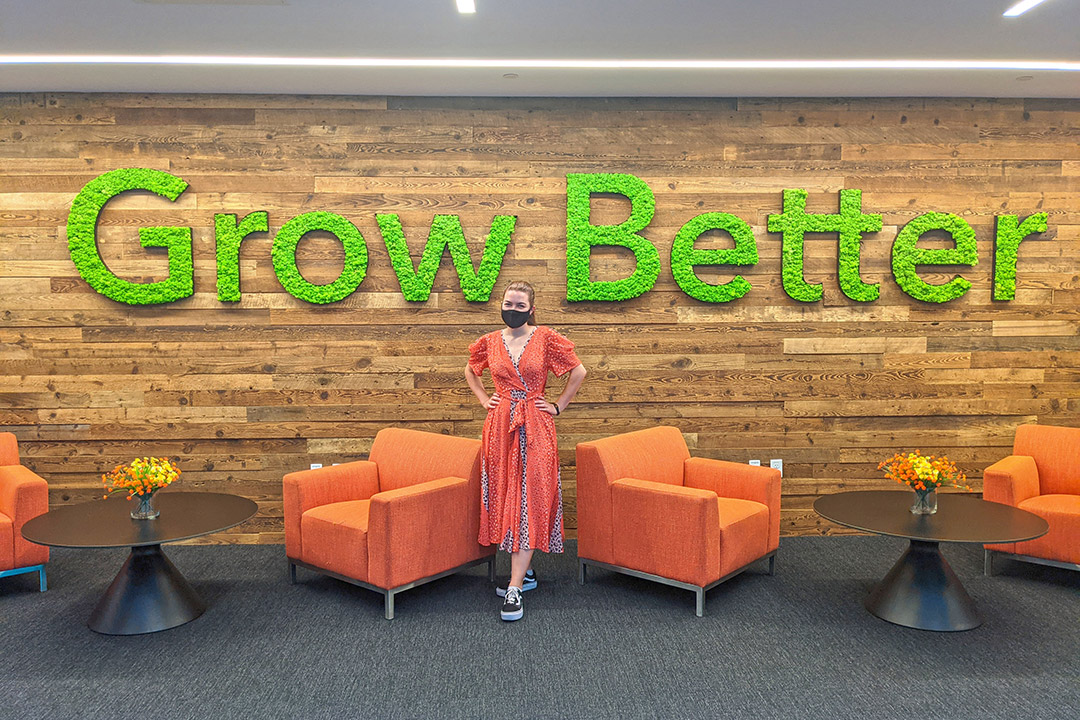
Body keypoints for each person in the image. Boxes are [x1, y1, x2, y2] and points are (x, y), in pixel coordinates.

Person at [465, 280, 587, 621]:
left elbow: (579, 371)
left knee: (530, 496)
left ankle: (515, 588)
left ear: (531, 309)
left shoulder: (546, 338)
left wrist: (559, 405)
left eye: (520, 306)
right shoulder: (490, 342)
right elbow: (470, 371)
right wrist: (482, 398)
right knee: (507, 496)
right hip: (500, 425)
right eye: (509, 304)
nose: (513, 310)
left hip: (536, 424)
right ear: (501, 304)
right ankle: (526, 573)